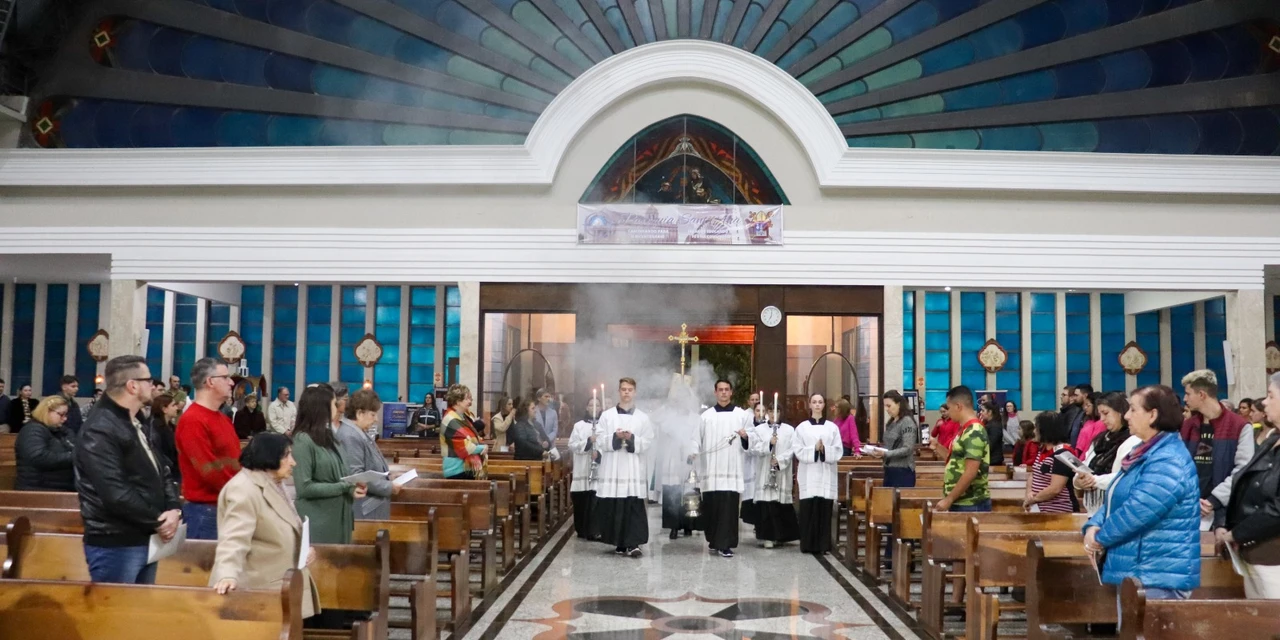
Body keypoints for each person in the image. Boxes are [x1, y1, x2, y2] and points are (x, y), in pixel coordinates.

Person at [1083, 385, 1201, 614]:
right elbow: (1116, 496)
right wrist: (1093, 524)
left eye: (1133, 409)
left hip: (1158, 572)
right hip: (1138, 569)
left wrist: (1099, 538)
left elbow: (1138, 511)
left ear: (1153, 415)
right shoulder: (1143, 451)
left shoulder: (1168, 459)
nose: (1127, 415)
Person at [74, 355, 181, 584]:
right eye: (148, 380)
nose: (153, 385)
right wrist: (159, 520)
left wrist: (173, 507)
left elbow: (160, 469)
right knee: (115, 606)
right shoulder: (100, 427)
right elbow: (115, 493)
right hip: (116, 541)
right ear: (132, 386)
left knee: (139, 606)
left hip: (145, 535)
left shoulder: (135, 419)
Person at [211, 432, 320, 619]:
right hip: (258, 593)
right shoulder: (243, 489)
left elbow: (286, 524)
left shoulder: (273, 482)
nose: (293, 462)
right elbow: (233, 539)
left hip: (281, 586)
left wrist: (304, 549)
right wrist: (227, 575)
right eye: (287, 455)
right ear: (270, 455)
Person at [1215, 372, 1280, 599]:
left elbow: (1277, 509)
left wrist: (1236, 534)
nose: (1264, 402)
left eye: (1271, 396)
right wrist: (1225, 524)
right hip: (1254, 553)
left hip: (1274, 558)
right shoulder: (1271, 440)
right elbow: (1244, 482)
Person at [175, 358, 242, 541]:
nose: (231, 382)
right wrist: (242, 492)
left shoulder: (223, 419)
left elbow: (236, 460)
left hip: (227, 505)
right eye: (225, 377)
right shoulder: (193, 420)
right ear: (210, 382)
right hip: (205, 511)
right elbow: (208, 470)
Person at [1180, 369, 1255, 532]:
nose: (1185, 399)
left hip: (1224, 511)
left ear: (1201, 394)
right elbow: (1178, 466)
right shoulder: (1187, 426)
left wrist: (1214, 500)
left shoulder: (1239, 426)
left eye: (1188, 394)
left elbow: (1243, 469)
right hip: (1189, 508)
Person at [293, 384, 367, 544]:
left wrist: (353, 487)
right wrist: (344, 487)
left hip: (340, 517)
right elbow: (304, 488)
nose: (338, 407)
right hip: (319, 521)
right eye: (334, 403)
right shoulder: (303, 440)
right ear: (321, 408)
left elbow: (341, 475)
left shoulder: (328, 436)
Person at [593, 378, 654, 557]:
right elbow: (599, 439)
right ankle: (619, 542)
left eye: (630, 389)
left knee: (632, 504)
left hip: (633, 467)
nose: (626, 392)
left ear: (635, 392)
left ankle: (633, 543)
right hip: (613, 467)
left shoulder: (643, 417)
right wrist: (615, 437)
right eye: (623, 389)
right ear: (619, 391)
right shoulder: (607, 416)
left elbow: (648, 441)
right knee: (615, 506)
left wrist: (632, 438)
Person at [692, 379, 752, 558]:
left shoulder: (741, 415)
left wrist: (745, 437)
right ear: (715, 392)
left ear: (731, 392)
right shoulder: (706, 416)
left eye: (727, 389)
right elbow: (696, 438)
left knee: (728, 508)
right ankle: (713, 540)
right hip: (711, 469)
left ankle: (725, 544)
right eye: (720, 389)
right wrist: (693, 451)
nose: (724, 392)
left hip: (732, 469)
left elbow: (752, 439)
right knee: (711, 508)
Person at [335, 388, 398, 520]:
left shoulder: (358, 431)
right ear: (359, 413)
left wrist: (387, 476)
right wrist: (388, 487)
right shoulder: (350, 435)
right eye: (373, 414)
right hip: (364, 509)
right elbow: (356, 475)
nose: (376, 419)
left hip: (371, 507)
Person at [1074, 392, 1141, 515]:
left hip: (1117, 509)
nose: (1102, 419)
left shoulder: (1133, 440)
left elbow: (1124, 476)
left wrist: (1094, 480)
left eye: (1106, 413)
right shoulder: (1100, 439)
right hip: (1093, 510)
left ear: (1120, 412)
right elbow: (1085, 464)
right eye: (1100, 414)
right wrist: (1079, 481)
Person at [795, 393, 844, 554]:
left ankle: (823, 545)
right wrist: (814, 449)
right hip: (808, 474)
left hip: (825, 473)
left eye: (820, 402)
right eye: (814, 402)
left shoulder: (832, 427)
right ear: (809, 405)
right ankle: (807, 544)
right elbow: (798, 450)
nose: (817, 405)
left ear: (824, 405)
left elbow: (838, 450)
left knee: (824, 510)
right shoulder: (802, 428)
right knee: (808, 510)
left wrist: (824, 450)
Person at [747, 400, 798, 548]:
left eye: (776, 411)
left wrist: (779, 460)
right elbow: (754, 448)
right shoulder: (759, 429)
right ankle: (767, 537)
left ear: (780, 413)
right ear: (767, 413)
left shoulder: (789, 430)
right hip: (765, 470)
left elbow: (792, 449)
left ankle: (781, 536)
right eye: (770, 411)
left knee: (779, 504)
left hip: (781, 471)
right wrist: (769, 444)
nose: (773, 414)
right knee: (766, 505)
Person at [656, 381, 700, 541]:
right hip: (673, 456)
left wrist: (693, 450)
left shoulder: (696, 418)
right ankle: (673, 525)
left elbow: (697, 436)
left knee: (689, 490)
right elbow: (660, 426)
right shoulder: (669, 415)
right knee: (673, 490)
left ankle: (689, 524)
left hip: (689, 456)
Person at [937, 385, 990, 512]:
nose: (948, 412)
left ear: (958, 406)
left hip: (970, 502)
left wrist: (949, 499)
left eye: (949, 408)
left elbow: (971, 471)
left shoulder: (974, 431)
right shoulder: (965, 429)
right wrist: (937, 446)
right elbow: (955, 460)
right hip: (960, 500)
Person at [15, 396, 76, 491]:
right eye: (61, 414)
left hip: (57, 486)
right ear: (46, 411)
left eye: (66, 414)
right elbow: (39, 457)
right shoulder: (32, 430)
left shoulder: (61, 431)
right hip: (37, 489)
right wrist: (74, 456)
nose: (65, 419)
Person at [1023, 412, 1078, 513]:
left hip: (1058, 511)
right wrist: (1028, 494)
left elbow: (1055, 488)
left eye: (1036, 428)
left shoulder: (1063, 453)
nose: (1034, 431)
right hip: (1038, 508)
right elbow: (1034, 475)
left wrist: (1033, 499)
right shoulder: (1042, 449)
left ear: (1046, 430)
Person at [567, 399, 601, 540]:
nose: (594, 407)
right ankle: (581, 529)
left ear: (601, 408)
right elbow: (572, 445)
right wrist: (587, 442)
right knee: (581, 500)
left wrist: (599, 454)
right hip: (582, 468)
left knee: (595, 500)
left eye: (597, 405)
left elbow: (608, 445)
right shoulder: (579, 426)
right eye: (591, 405)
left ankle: (594, 530)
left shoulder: (605, 426)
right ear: (587, 407)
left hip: (598, 469)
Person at [440, 384, 486, 480]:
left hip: (465, 468)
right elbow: (463, 446)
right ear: (458, 401)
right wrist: (482, 447)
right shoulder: (450, 419)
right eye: (467, 399)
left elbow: (472, 436)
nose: (470, 402)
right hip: (456, 470)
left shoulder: (461, 416)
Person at [874, 390, 918, 487]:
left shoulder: (906, 421)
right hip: (889, 469)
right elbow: (890, 446)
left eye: (889, 406)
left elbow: (908, 448)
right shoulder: (891, 422)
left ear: (898, 404)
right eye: (885, 406)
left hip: (903, 471)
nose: (886, 409)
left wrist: (885, 453)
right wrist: (878, 452)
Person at [147, 394, 181, 488]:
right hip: (165, 474)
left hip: (175, 471)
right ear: (164, 409)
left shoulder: (172, 428)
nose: (177, 408)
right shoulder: (154, 428)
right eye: (173, 405)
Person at [980, 401, 1005, 467]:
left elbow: (990, 445)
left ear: (990, 412)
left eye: (983, 410)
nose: (981, 412)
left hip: (993, 461)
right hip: (989, 459)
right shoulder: (989, 424)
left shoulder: (994, 426)